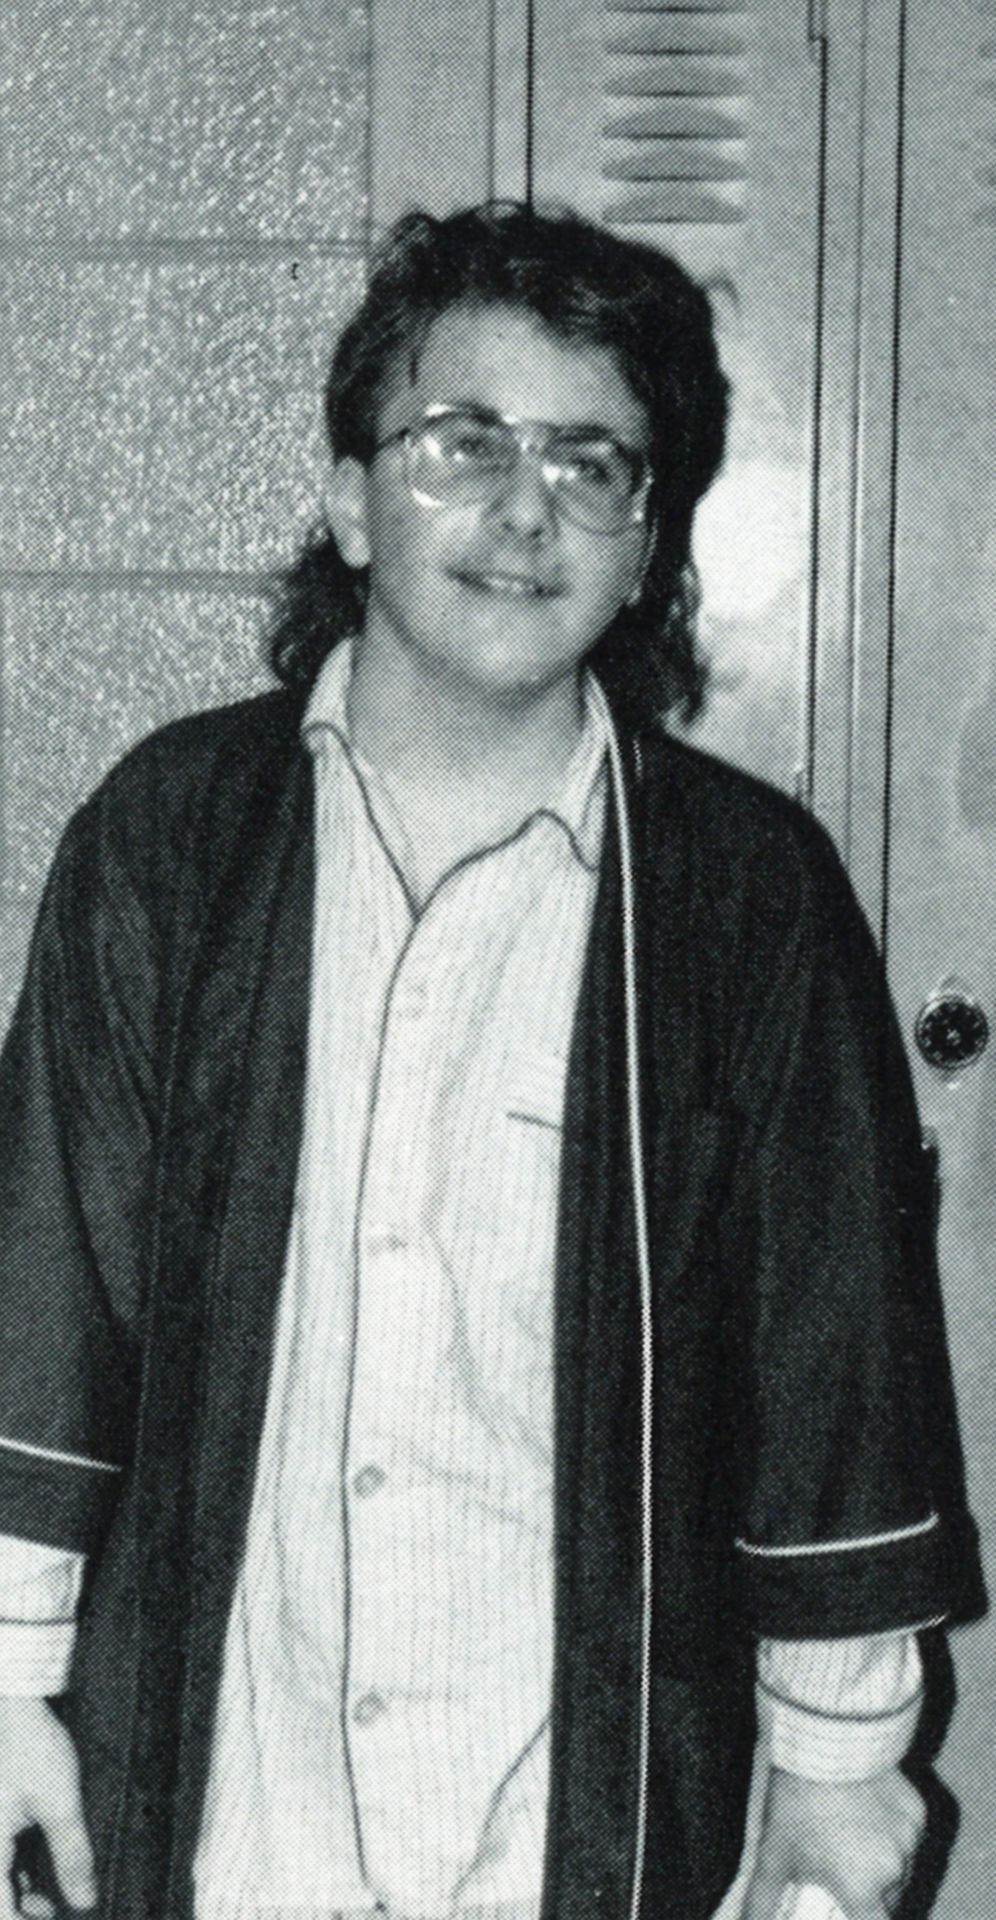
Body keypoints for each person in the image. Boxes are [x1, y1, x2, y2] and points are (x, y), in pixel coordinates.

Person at [0, 201, 983, 1920]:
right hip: (241, 1790)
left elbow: (836, 1353)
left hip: (572, 1814)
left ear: (642, 535)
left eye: (591, 463)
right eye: (465, 443)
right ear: (350, 494)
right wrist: (7, 1683)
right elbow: (48, 1283)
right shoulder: (175, 840)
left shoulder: (746, 901)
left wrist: (842, 1769)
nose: (528, 510)